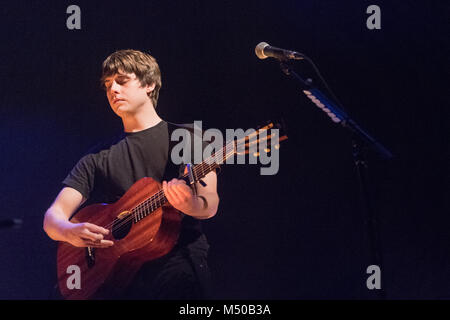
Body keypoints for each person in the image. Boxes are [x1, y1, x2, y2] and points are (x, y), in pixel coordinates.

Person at [43, 49, 219, 299]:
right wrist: (68, 231)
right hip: (120, 275)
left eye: (122, 81)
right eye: (107, 85)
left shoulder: (187, 137)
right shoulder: (98, 156)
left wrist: (190, 204)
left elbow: (209, 203)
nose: (112, 90)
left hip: (178, 267)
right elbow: (52, 217)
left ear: (149, 84)